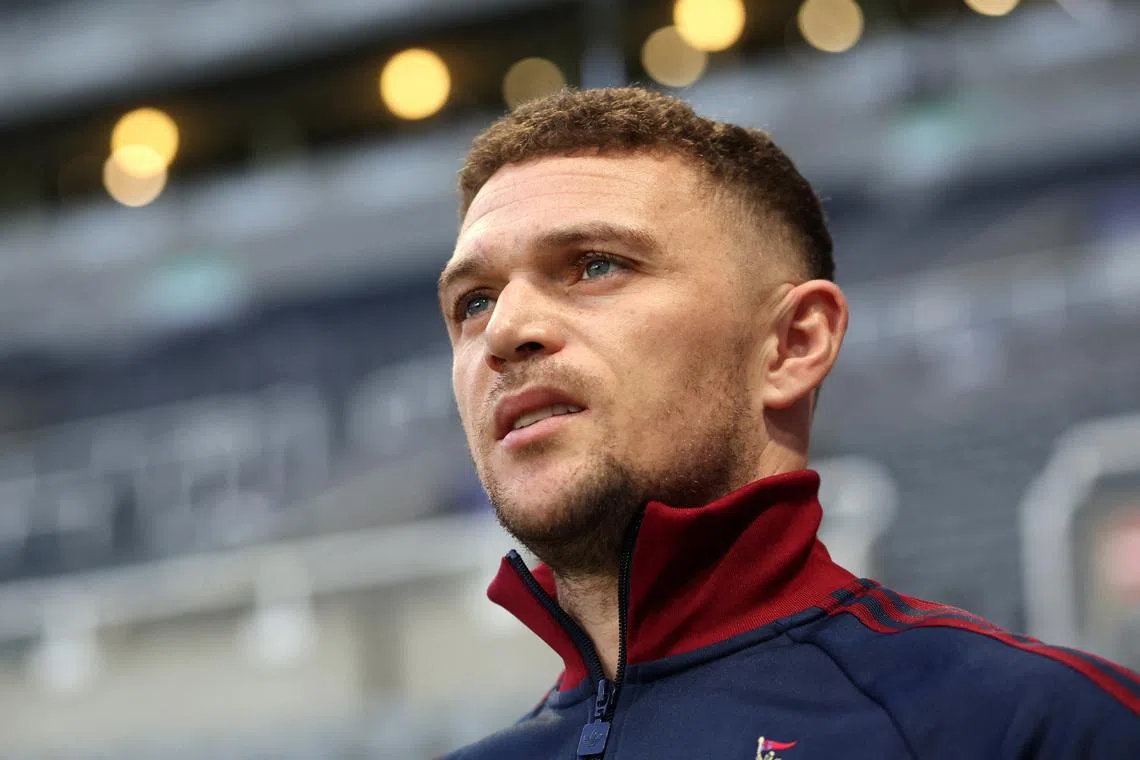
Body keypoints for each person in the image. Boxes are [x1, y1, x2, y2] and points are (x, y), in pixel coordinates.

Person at [435, 87, 1140, 759]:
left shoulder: (1032, 730)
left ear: (793, 345)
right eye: (473, 302)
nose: (504, 330)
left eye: (595, 266)